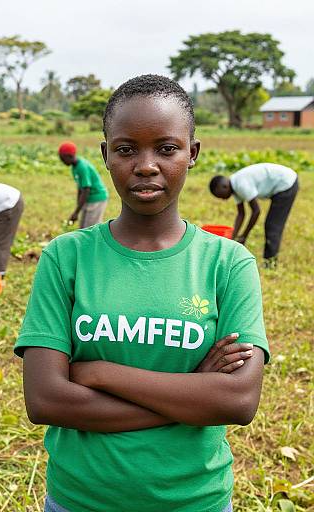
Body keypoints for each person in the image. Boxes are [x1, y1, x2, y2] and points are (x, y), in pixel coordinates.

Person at [15, 75, 269, 512]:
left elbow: (239, 400)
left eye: (166, 149)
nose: (146, 165)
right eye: (127, 149)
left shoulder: (228, 264)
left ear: (192, 154)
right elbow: (46, 399)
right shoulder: (66, 257)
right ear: (106, 155)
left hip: (193, 500)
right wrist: (194, 394)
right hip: (80, 500)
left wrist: (98, 373)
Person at [209, 164, 298, 267]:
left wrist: (244, 236)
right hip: (281, 183)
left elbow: (256, 211)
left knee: (272, 225)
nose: (223, 199)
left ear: (224, 186)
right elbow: (241, 214)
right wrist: (233, 238)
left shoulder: (241, 185)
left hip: (286, 184)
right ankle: (270, 261)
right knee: (271, 224)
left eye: (220, 196)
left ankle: (270, 263)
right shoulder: (234, 186)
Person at [58, 141, 109, 228]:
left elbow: (86, 190)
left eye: (62, 158)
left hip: (96, 198)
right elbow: (80, 188)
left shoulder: (82, 167)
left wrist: (76, 212)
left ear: (69, 156)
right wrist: (78, 207)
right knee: (83, 228)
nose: (61, 161)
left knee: (91, 229)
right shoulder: (74, 167)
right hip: (88, 199)